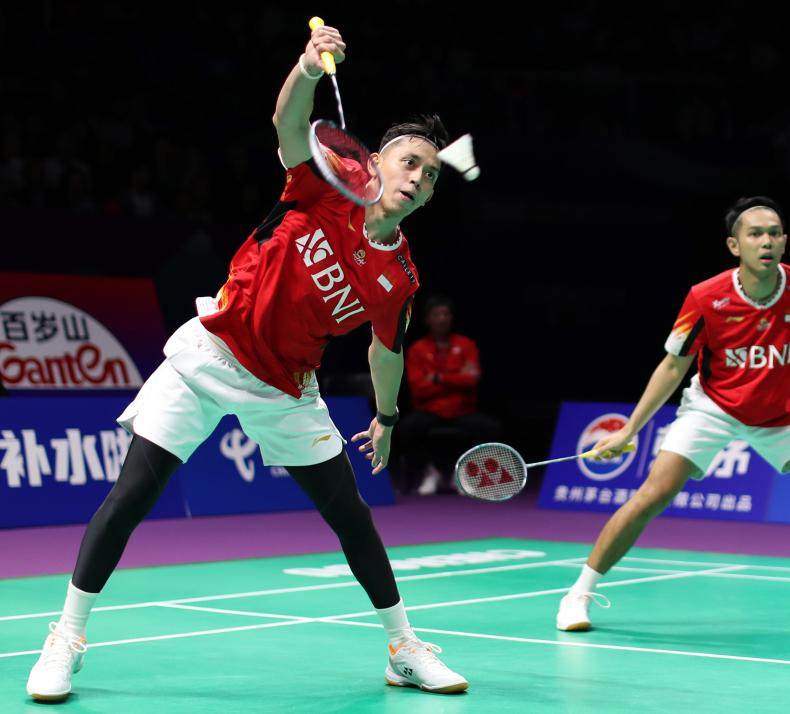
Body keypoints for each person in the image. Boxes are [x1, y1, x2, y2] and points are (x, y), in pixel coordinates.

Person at [26, 22, 468, 702]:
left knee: (350, 516)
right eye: (410, 162)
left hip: (286, 389)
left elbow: (387, 349)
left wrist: (386, 416)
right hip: (212, 353)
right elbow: (288, 123)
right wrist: (309, 67)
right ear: (378, 161)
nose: (418, 178)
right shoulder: (328, 182)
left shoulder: (400, 277)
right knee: (131, 496)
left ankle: (404, 647)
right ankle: (66, 638)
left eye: (431, 175)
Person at [555, 196, 790, 633]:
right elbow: (673, 365)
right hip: (713, 407)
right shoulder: (705, 297)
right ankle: (578, 593)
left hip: (779, 410)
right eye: (755, 234)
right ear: (735, 245)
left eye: (773, 233)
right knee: (654, 494)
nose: (765, 241)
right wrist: (629, 430)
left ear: (784, 242)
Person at [398, 295, 500, 494]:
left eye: (446, 314)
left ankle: (466, 472)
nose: (442, 319)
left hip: (462, 409)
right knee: (406, 429)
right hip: (429, 410)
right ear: (427, 319)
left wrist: (437, 378)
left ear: (452, 318)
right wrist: (457, 377)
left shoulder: (467, 345)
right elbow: (418, 388)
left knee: (491, 428)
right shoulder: (417, 350)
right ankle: (429, 472)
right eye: (436, 314)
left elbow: (471, 381)